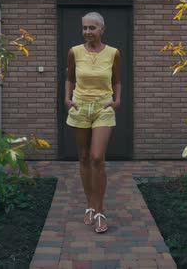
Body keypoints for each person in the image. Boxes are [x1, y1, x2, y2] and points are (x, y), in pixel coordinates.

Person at [65, 12, 121, 233]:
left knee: (97, 158)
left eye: (92, 28)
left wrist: (117, 101)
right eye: (85, 28)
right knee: (84, 157)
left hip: (102, 108)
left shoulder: (114, 53)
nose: (87, 32)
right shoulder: (74, 52)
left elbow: (117, 80)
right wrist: (67, 99)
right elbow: (70, 78)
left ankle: (99, 210)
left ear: (102, 29)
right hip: (80, 107)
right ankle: (89, 204)